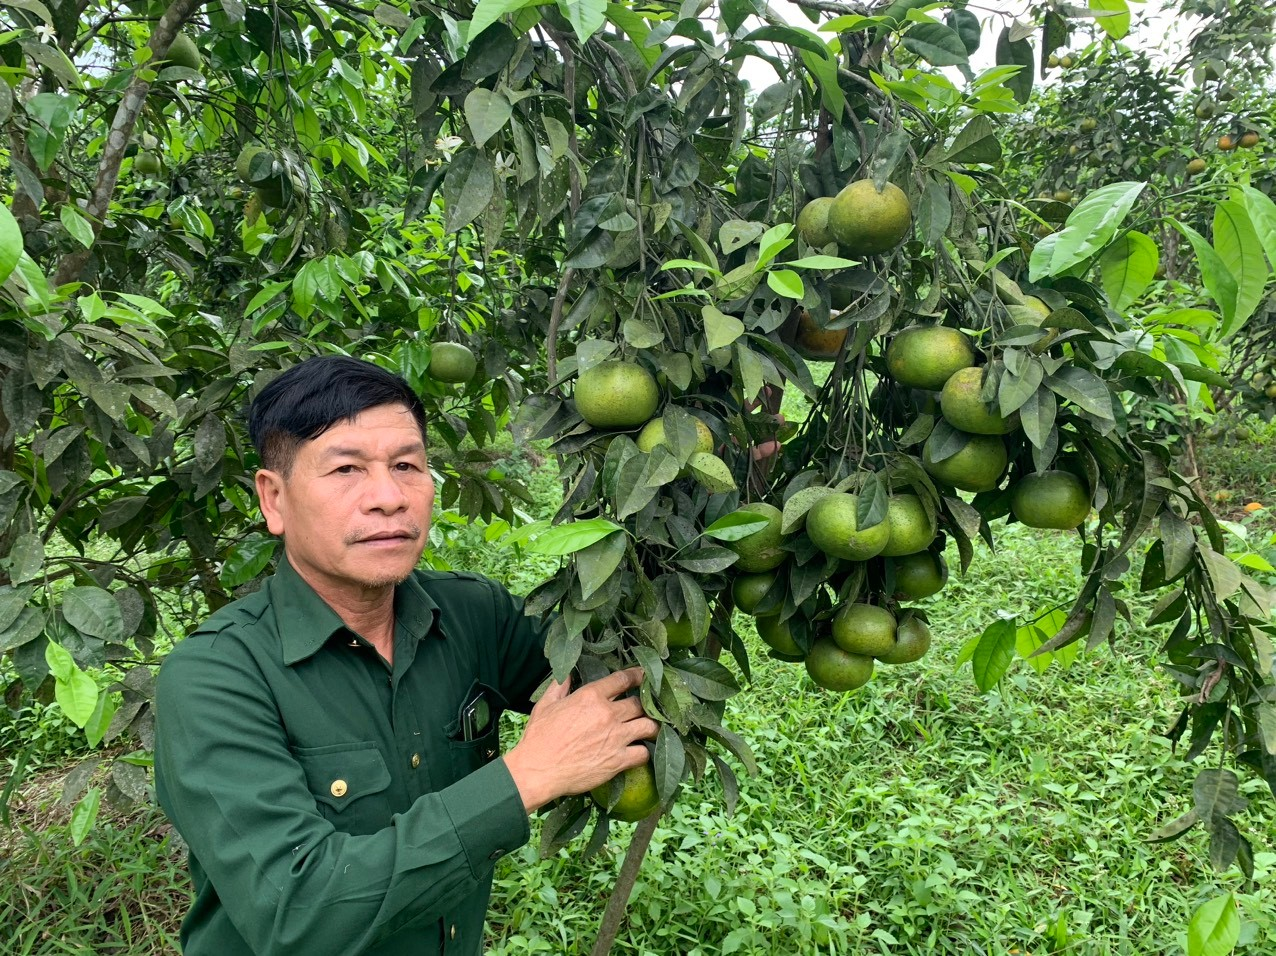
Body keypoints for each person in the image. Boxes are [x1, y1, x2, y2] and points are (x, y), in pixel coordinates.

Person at [154, 355, 658, 956]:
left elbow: (614, 680)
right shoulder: (215, 678)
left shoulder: (475, 616)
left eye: (406, 466)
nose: (389, 497)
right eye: (345, 468)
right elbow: (297, 913)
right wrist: (527, 776)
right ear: (274, 499)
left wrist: (701, 490)